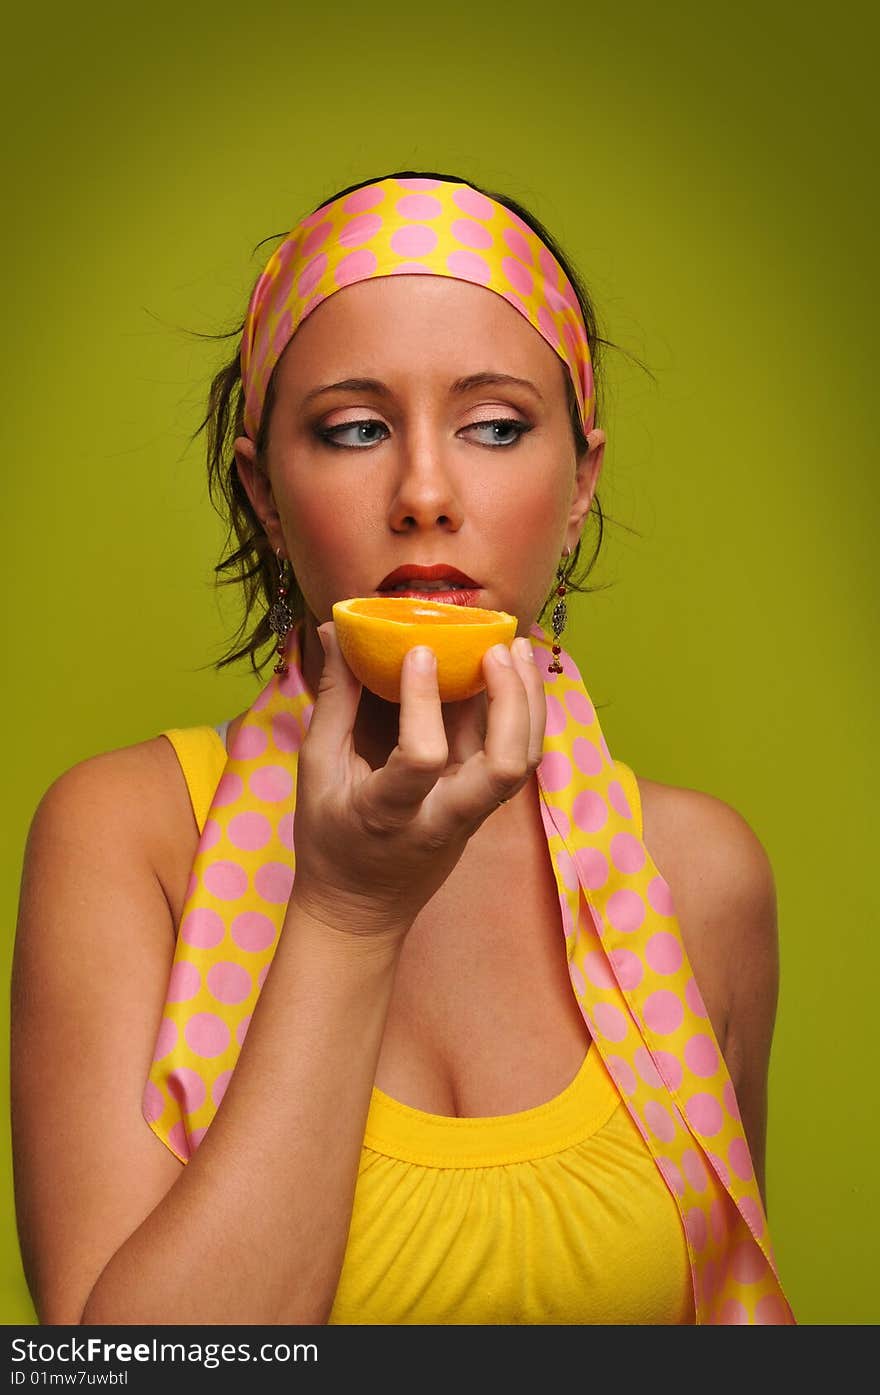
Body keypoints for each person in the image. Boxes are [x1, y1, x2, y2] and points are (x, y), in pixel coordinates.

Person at [10, 170, 795, 1326]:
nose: (425, 493)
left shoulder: (701, 881)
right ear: (264, 491)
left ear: (580, 480)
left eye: (493, 427)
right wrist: (345, 913)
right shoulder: (126, 843)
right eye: (356, 429)